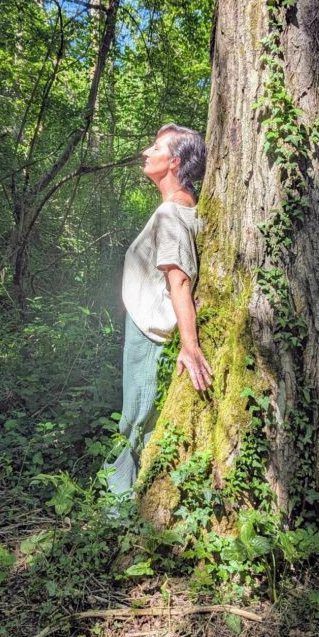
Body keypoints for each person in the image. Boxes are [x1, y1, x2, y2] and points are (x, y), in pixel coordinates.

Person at [104, 123, 212, 499]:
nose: (146, 152)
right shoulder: (182, 208)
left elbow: (179, 279)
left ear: (175, 162)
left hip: (149, 333)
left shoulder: (171, 214)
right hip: (147, 328)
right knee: (141, 416)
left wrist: (190, 345)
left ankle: (118, 510)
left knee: (135, 419)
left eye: (156, 148)